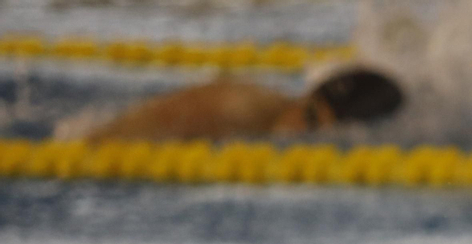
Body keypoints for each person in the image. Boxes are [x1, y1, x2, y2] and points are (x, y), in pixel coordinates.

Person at [81, 67, 405, 142]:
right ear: (306, 99)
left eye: (319, 128)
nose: (302, 130)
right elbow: (146, 122)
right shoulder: (243, 108)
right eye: (309, 116)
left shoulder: (264, 125)